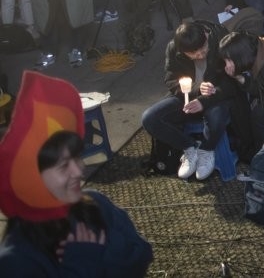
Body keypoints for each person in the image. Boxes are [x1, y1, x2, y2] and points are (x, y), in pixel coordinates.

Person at [0, 71, 153, 275]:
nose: (78, 169)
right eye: (63, 166)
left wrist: (108, 247)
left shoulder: (96, 203)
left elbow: (143, 254)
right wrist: (84, 264)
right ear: (32, 177)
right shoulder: (16, 259)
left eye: (76, 157)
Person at [141, 20, 251, 179]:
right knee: (150, 118)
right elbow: (171, 80)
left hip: (218, 96)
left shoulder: (221, 40)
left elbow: (232, 83)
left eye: (203, 49)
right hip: (187, 95)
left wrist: (205, 99)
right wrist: (196, 89)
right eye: (193, 54)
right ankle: (190, 148)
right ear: (182, 51)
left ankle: (207, 150)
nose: (200, 55)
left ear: (206, 36)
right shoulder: (174, 48)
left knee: (216, 116)